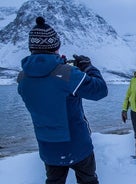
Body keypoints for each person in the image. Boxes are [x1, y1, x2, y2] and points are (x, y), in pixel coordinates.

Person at [17, 17, 108, 184]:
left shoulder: (22, 78)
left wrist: (59, 67)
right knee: (88, 181)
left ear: (32, 48)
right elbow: (100, 90)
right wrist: (87, 67)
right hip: (78, 145)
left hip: (48, 147)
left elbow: (47, 92)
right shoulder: (67, 74)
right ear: (55, 47)